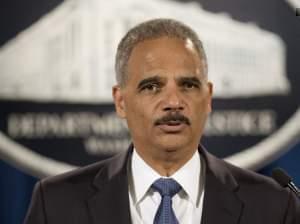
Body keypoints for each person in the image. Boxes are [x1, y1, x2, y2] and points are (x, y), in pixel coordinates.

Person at [24, 18, 300, 224]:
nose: (173, 102)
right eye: (152, 86)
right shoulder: (56, 204)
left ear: (209, 97)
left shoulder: (273, 206)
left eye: (189, 85)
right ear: (121, 101)